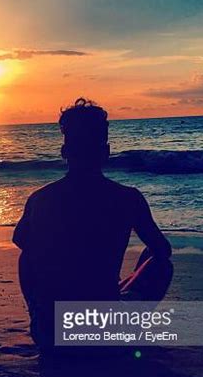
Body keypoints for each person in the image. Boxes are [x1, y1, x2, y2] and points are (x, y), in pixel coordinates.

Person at [13, 98, 173, 350]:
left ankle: (39, 314)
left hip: (52, 332)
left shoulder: (40, 199)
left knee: (26, 256)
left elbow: (22, 243)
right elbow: (163, 250)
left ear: (65, 152)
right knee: (159, 262)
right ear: (106, 151)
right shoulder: (127, 198)